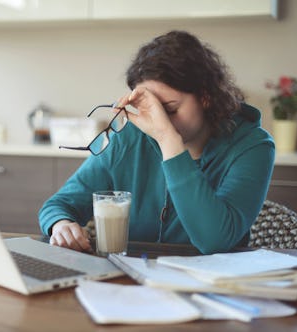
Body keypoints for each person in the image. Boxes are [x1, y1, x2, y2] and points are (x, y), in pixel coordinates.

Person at [38, 30, 275, 254]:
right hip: (131, 284)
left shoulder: (252, 146)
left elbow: (214, 240)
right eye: (153, 109)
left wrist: (168, 139)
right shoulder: (127, 138)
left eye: (169, 109)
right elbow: (59, 205)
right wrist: (60, 224)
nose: (159, 121)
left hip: (214, 287)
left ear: (205, 97)